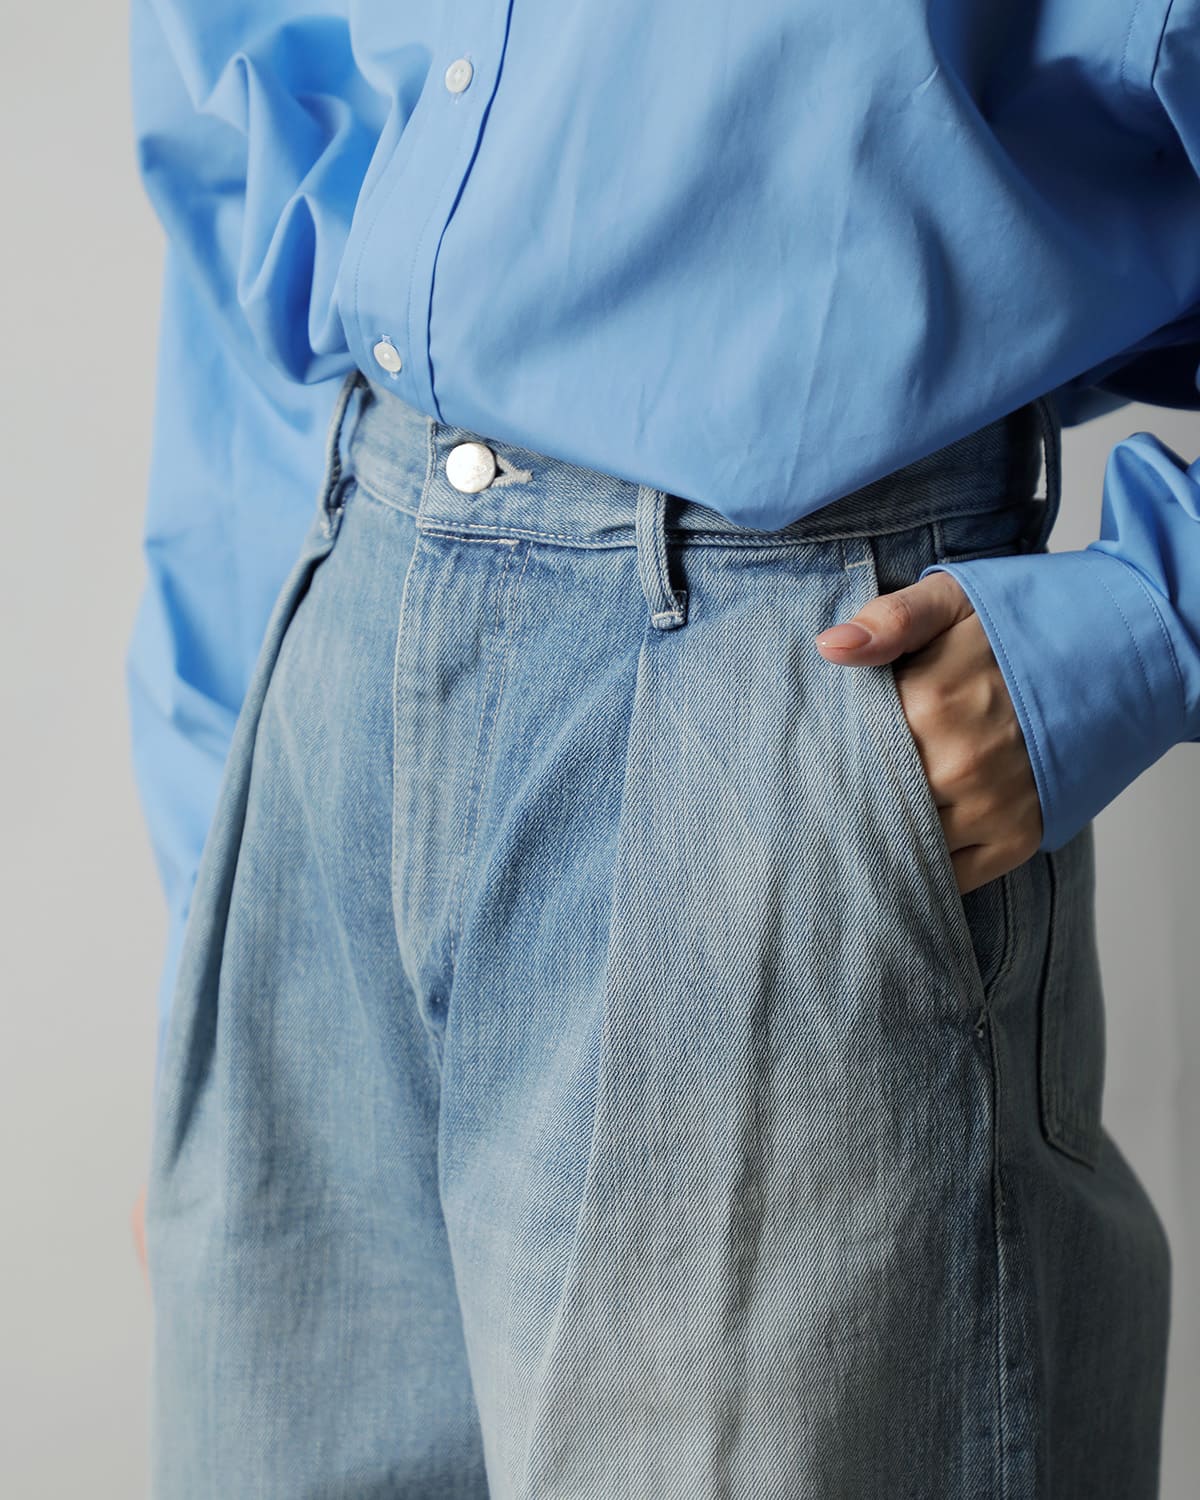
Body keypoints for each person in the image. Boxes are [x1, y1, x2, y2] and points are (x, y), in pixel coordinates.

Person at [127, 1, 1199, 1495]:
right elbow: (230, 137)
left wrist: (1150, 619)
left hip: (777, 708)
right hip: (333, 669)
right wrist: (217, 895)